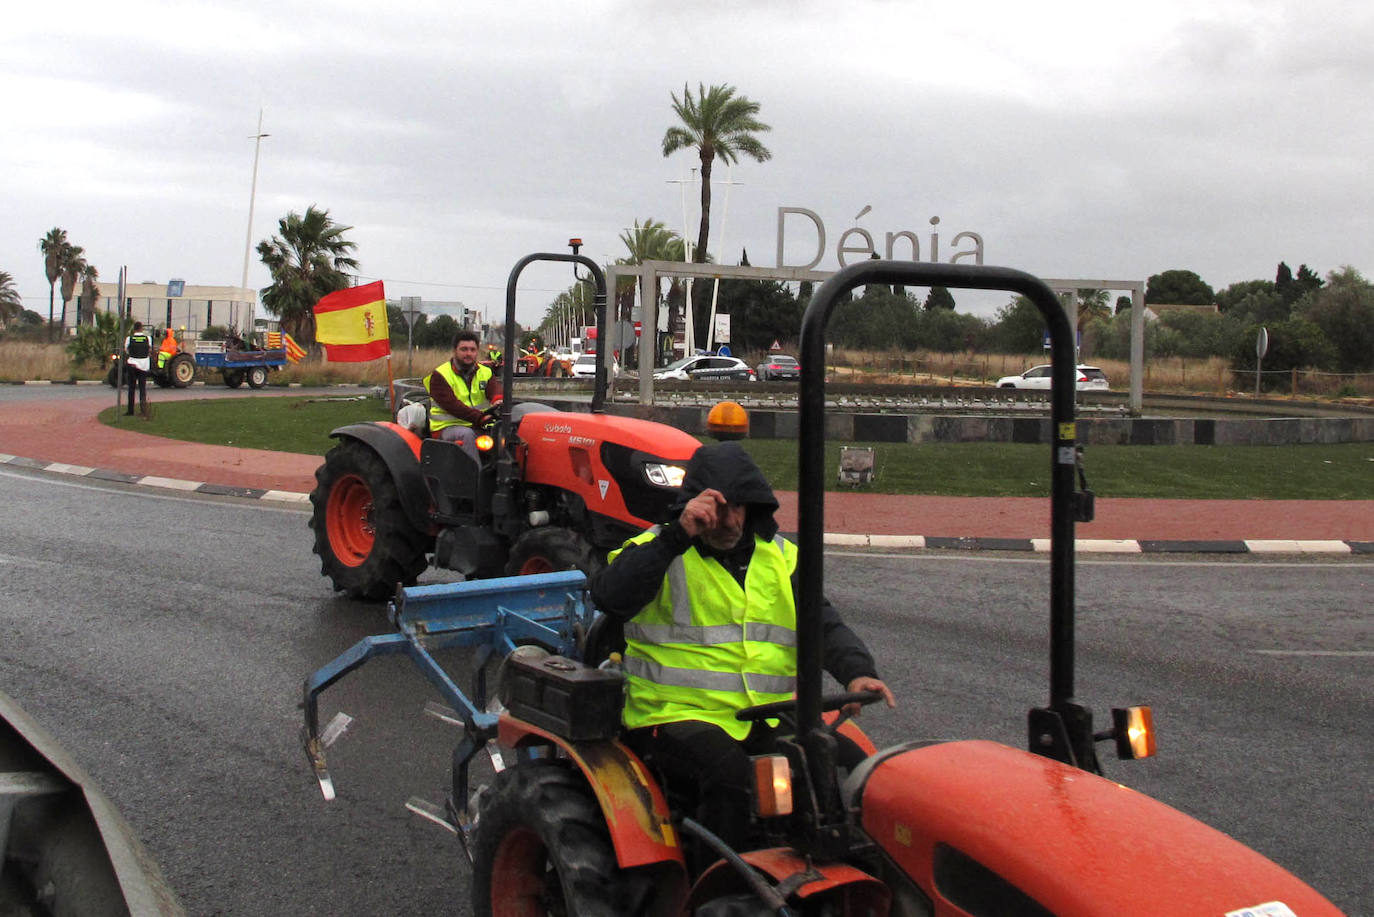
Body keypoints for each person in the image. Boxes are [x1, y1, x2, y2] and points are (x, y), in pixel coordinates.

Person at [589, 441, 895, 849]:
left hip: (766, 717)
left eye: (737, 507)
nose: (727, 521)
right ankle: (713, 891)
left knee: (851, 771)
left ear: (753, 507)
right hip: (674, 715)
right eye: (717, 507)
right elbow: (610, 597)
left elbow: (822, 623)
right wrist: (677, 534)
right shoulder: (657, 549)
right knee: (730, 778)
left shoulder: (780, 557)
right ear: (693, 503)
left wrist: (858, 672)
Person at [424, 330, 504, 460]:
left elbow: (495, 389)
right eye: (464, 349)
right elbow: (453, 406)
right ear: (455, 350)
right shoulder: (440, 375)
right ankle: (474, 477)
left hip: (477, 424)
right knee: (466, 435)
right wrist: (481, 418)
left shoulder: (485, 372)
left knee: (507, 433)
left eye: (472, 350)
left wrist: (498, 400)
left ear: (477, 351)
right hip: (447, 427)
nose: (468, 354)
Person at [123, 322, 153, 416]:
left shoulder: (129, 339)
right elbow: (149, 350)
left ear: (134, 329)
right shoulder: (148, 338)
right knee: (142, 388)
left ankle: (130, 411)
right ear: (141, 329)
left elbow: (127, 350)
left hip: (132, 364)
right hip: (144, 365)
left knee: (131, 388)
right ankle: (143, 410)